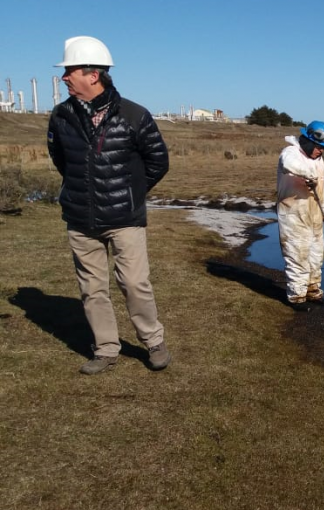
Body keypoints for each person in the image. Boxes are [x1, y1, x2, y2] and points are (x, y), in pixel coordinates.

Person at [47, 36, 171, 374]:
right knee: (92, 289)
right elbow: (62, 160)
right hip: (80, 219)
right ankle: (105, 349)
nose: (64, 77)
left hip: (124, 219)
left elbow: (158, 162)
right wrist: (83, 191)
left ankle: (153, 341)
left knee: (134, 283)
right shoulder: (60, 116)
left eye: (69, 71)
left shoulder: (134, 115)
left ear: (93, 74)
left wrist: (129, 192)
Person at [276, 120, 324, 309]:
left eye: (323, 147)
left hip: (314, 215)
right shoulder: (291, 152)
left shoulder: (319, 160)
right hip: (293, 215)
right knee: (297, 256)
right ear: (307, 141)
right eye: (318, 146)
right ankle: (296, 297)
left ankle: (313, 292)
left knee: (316, 257)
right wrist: (309, 174)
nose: (321, 150)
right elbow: (288, 164)